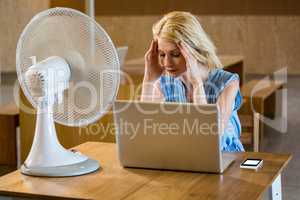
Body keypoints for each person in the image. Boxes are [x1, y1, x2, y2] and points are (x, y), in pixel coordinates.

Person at [140, 11, 244, 152]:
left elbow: (210, 140)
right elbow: (145, 134)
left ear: (194, 49)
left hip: (226, 159)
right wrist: (149, 79)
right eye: (162, 54)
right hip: (184, 157)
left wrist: (197, 85)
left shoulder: (228, 83)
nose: (166, 62)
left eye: (175, 54)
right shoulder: (164, 85)